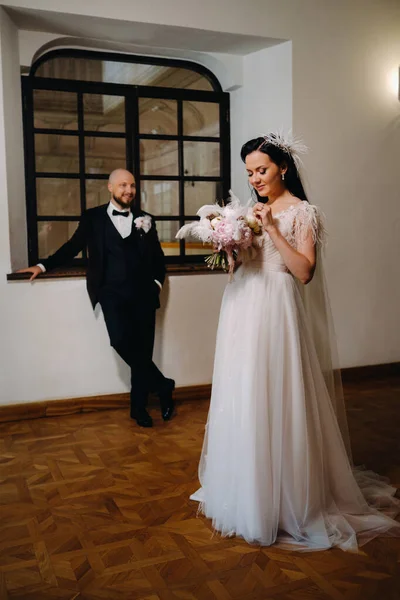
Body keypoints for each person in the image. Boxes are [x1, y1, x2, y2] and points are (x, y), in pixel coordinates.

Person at [190, 134, 400, 551]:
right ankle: (245, 494)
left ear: (282, 167)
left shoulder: (303, 212)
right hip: (241, 306)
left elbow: (304, 272)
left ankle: (285, 500)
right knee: (243, 394)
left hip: (276, 307)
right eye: (249, 172)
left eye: (262, 170)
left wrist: (270, 229)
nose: (255, 179)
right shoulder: (249, 209)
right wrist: (231, 248)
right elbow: (244, 264)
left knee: (276, 394)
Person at [18, 169, 175, 428]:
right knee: (121, 342)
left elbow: (158, 259)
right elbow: (71, 247)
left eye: (133, 185)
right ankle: (163, 385)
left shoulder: (146, 219)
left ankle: (139, 410)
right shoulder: (93, 218)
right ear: (110, 188)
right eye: (123, 185)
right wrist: (42, 266)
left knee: (142, 350)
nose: (129, 190)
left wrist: (156, 285)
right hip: (111, 294)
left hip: (143, 296)